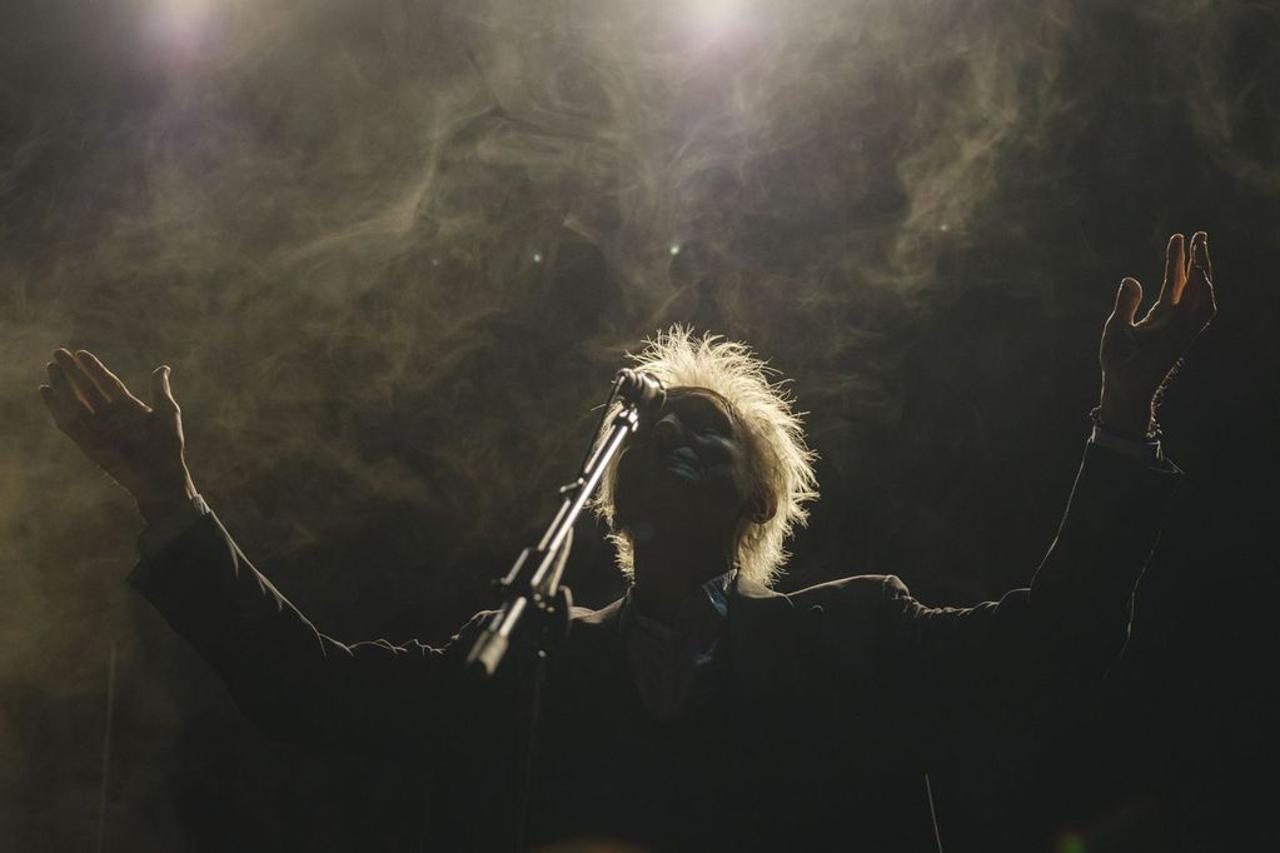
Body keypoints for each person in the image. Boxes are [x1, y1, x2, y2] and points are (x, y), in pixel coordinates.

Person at [40, 232, 1217, 851]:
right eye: (654, 429)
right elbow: (310, 691)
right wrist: (167, 500)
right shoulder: (533, 660)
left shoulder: (856, 633)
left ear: (755, 499)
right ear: (609, 494)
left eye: (709, 433)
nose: (674, 438)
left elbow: (1059, 636)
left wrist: (1122, 415)